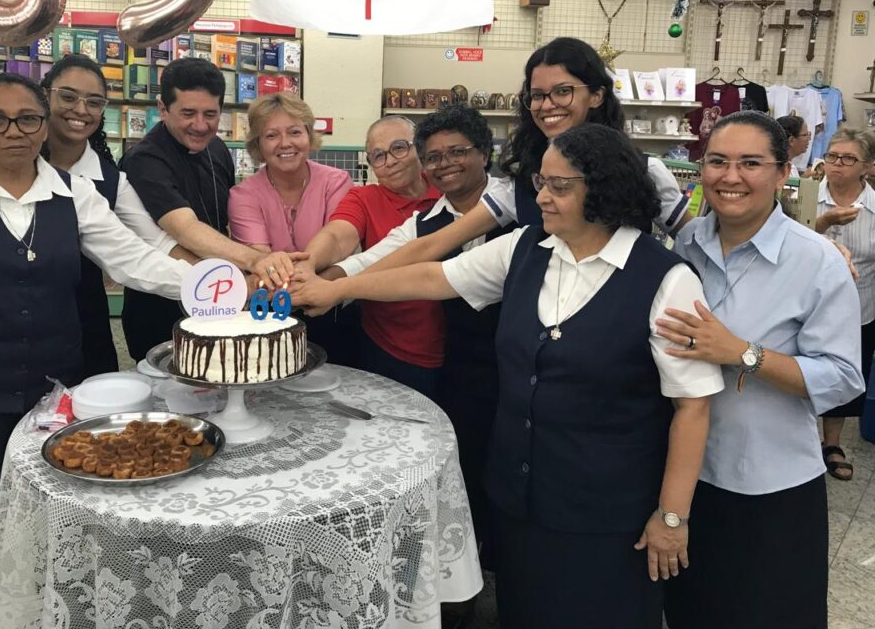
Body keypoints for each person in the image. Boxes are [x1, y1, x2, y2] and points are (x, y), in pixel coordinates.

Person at [293, 124, 724, 628]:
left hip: (609, 514)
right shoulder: (526, 247)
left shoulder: (666, 279)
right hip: (520, 503)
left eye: (559, 186)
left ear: (604, 189)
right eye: (541, 182)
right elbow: (435, 276)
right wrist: (340, 289)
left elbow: (693, 406)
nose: (541, 197)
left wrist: (672, 517)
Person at [0, 73, 197, 629]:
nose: (13, 131)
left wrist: (214, 284)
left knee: (52, 528)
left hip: (50, 402)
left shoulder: (74, 195)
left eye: (27, 119)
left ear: (43, 126)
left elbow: (133, 261)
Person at [659, 112, 865, 629]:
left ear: (782, 172)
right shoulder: (687, 245)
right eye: (717, 162)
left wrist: (744, 353)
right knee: (693, 612)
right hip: (688, 477)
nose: (731, 177)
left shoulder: (816, 261)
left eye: (750, 163)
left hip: (771, 484)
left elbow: (842, 377)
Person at [323, 105, 512, 572]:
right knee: (462, 464)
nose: (445, 164)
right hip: (463, 368)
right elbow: (376, 257)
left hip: (518, 366)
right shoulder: (426, 218)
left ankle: (502, 563)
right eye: (435, 157)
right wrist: (323, 281)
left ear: (484, 153)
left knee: (508, 472)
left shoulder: (515, 201)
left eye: (457, 152)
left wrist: (335, 290)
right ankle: (462, 568)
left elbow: (428, 266)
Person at [347, 37, 692, 275]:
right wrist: (342, 284)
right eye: (537, 95)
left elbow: (696, 245)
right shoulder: (522, 184)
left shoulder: (646, 171)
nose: (547, 105)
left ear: (597, 95)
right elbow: (432, 245)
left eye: (563, 91)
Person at [119, 58, 294, 361]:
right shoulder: (144, 160)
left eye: (210, 114)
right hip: (162, 308)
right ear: (163, 109)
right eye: (188, 113)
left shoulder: (217, 148)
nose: (200, 126)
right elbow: (184, 229)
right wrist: (257, 261)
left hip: (219, 300)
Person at [41, 53, 188, 377]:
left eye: (94, 102)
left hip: (83, 333)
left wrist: (221, 279)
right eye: (68, 97)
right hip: (8, 338)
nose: (81, 110)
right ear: (45, 95)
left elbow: (154, 247)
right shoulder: (16, 168)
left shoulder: (111, 182)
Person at [297, 115, 442, 395]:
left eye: (399, 148)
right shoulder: (364, 198)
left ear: (420, 148)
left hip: (462, 347)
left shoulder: (447, 189)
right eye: (378, 155)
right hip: (391, 348)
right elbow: (337, 235)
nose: (390, 161)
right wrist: (309, 262)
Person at [227, 92, 355, 361]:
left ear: (309, 135)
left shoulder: (336, 182)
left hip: (330, 306)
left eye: (295, 132)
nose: (285, 143)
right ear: (258, 144)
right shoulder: (242, 195)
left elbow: (341, 246)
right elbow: (262, 262)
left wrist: (318, 283)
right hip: (269, 315)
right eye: (271, 135)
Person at [813, 128, 875, 479]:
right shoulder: (806, 196)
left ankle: (832, 443)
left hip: (860, 308)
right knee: (800, 371)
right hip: (809, 307)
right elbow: (786, 240)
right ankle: (797, 438)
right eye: (832, 156)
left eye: (848, 158)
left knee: (844, 374)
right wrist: (821, 224)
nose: (837, 163)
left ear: (866, 166)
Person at [775, 114, 811, 178]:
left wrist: (803, 179)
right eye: (805, 135)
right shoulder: (776, 169)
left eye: (809, 134)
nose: (809, 138)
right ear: (791, 140)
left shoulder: (791, 167)